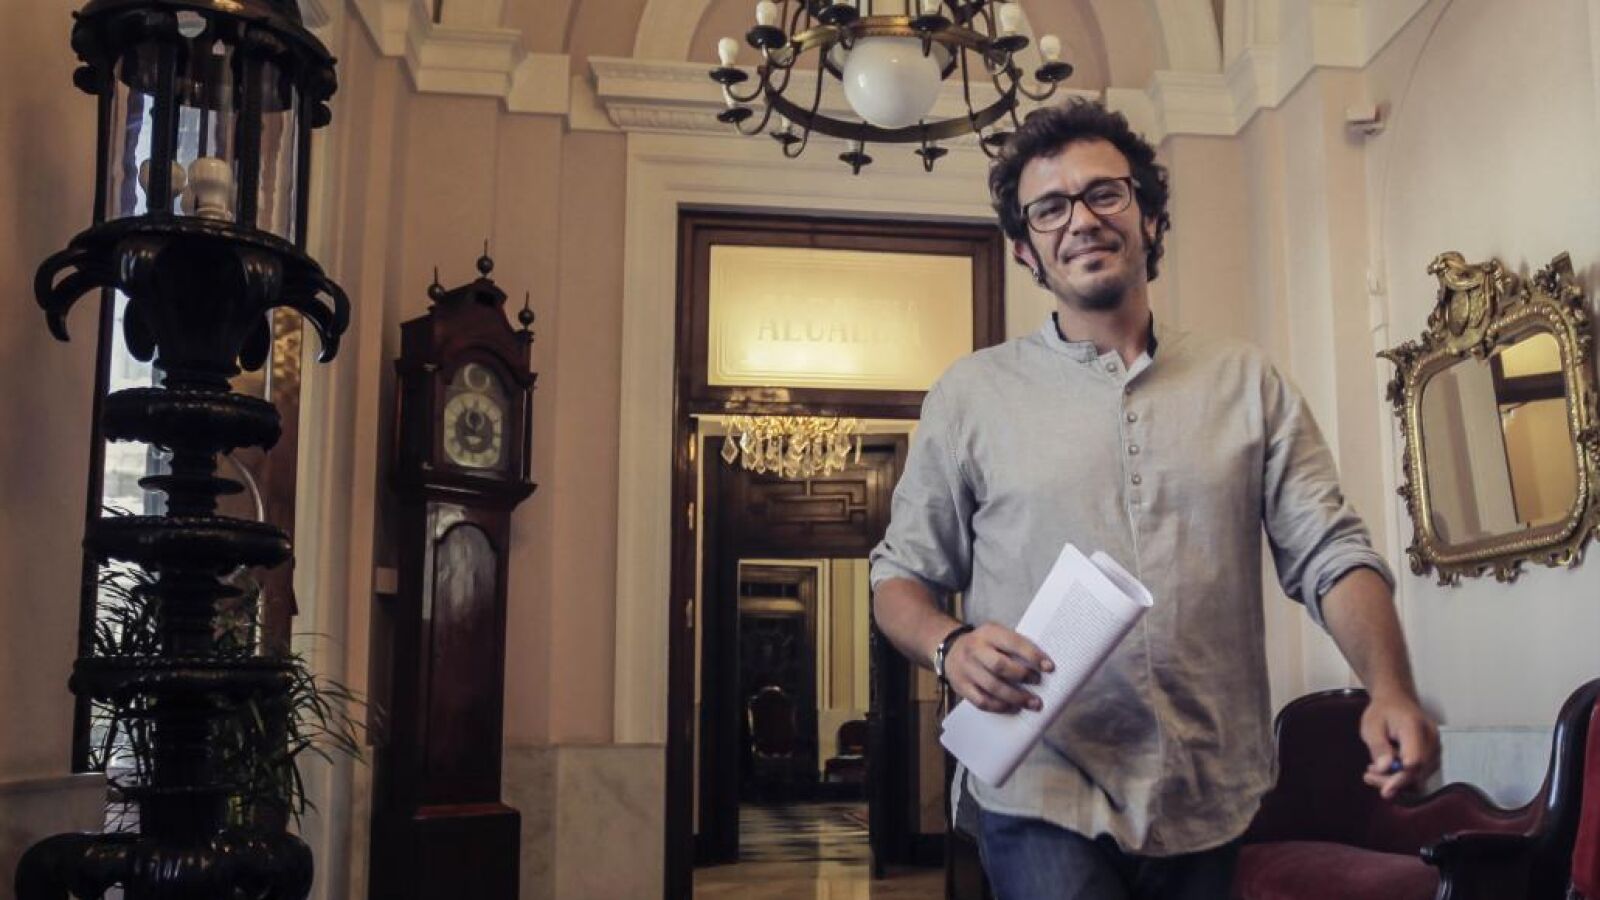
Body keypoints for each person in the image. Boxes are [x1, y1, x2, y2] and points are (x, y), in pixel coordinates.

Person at [867, 98, 1441, 900]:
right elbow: (899, 576)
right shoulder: (971, 395)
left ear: (1149, 216)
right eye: (1049, 208)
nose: (1081, 220)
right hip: (1037, 780)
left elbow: (1329, 550)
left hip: (1208, 788)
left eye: (1105, 193)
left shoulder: (1248, 382)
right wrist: (949, 645)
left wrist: (1391, 687)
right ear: (1027, 250)